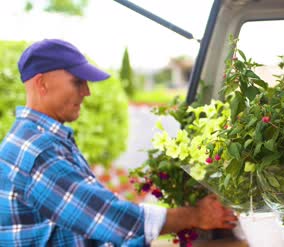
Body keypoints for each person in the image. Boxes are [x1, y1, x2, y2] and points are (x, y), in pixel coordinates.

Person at [0, 39, 237, 246]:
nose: (87, 92)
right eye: (77, 82)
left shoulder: (39, 139)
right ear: (42, 83)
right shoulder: (37, 150)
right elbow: (108, 218)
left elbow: (85, 225)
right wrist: (196, 215)